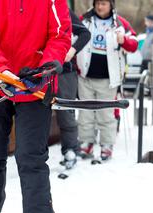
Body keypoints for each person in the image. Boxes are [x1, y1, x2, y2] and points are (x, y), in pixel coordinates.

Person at [0, 1, 71, 212]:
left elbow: (60, 35)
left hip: (35, 86)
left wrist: (43, 70)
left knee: (31, 158)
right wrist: (1, 70)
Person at [76, 0, 138, 161]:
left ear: (111, 5)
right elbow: (69, 37)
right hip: (85, 75)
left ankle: (106, 145)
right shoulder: (84, 19)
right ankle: (86, 143)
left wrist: (124, 40)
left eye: (103, 3)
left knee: (106, 114)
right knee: (85, 113)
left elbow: (134, 44)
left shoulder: (120, 23)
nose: (99, 6)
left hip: (108, 78)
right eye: (97, 3)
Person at [56, 8, 91, 170]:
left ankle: (70, 150)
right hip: (37, 72)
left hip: (65, 72)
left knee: (66, 112)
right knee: (35, 114)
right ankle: (35, 154)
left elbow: (85, 33)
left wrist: (72, 51)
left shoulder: (63, 10)